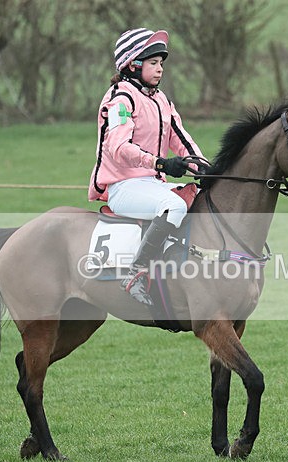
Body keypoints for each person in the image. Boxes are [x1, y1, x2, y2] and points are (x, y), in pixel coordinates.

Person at [89, 28, 206, 305]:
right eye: (153, 63)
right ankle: (136, 273)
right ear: (133, 65)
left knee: (205, 199)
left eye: (161, 63)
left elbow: (181, 139)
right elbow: (119, 147)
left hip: (153, 184)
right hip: (124, 187)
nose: (160, 69)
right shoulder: (120, 99)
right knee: (175, 206)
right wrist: (160, 162)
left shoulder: (161, 99)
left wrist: (204, 167)